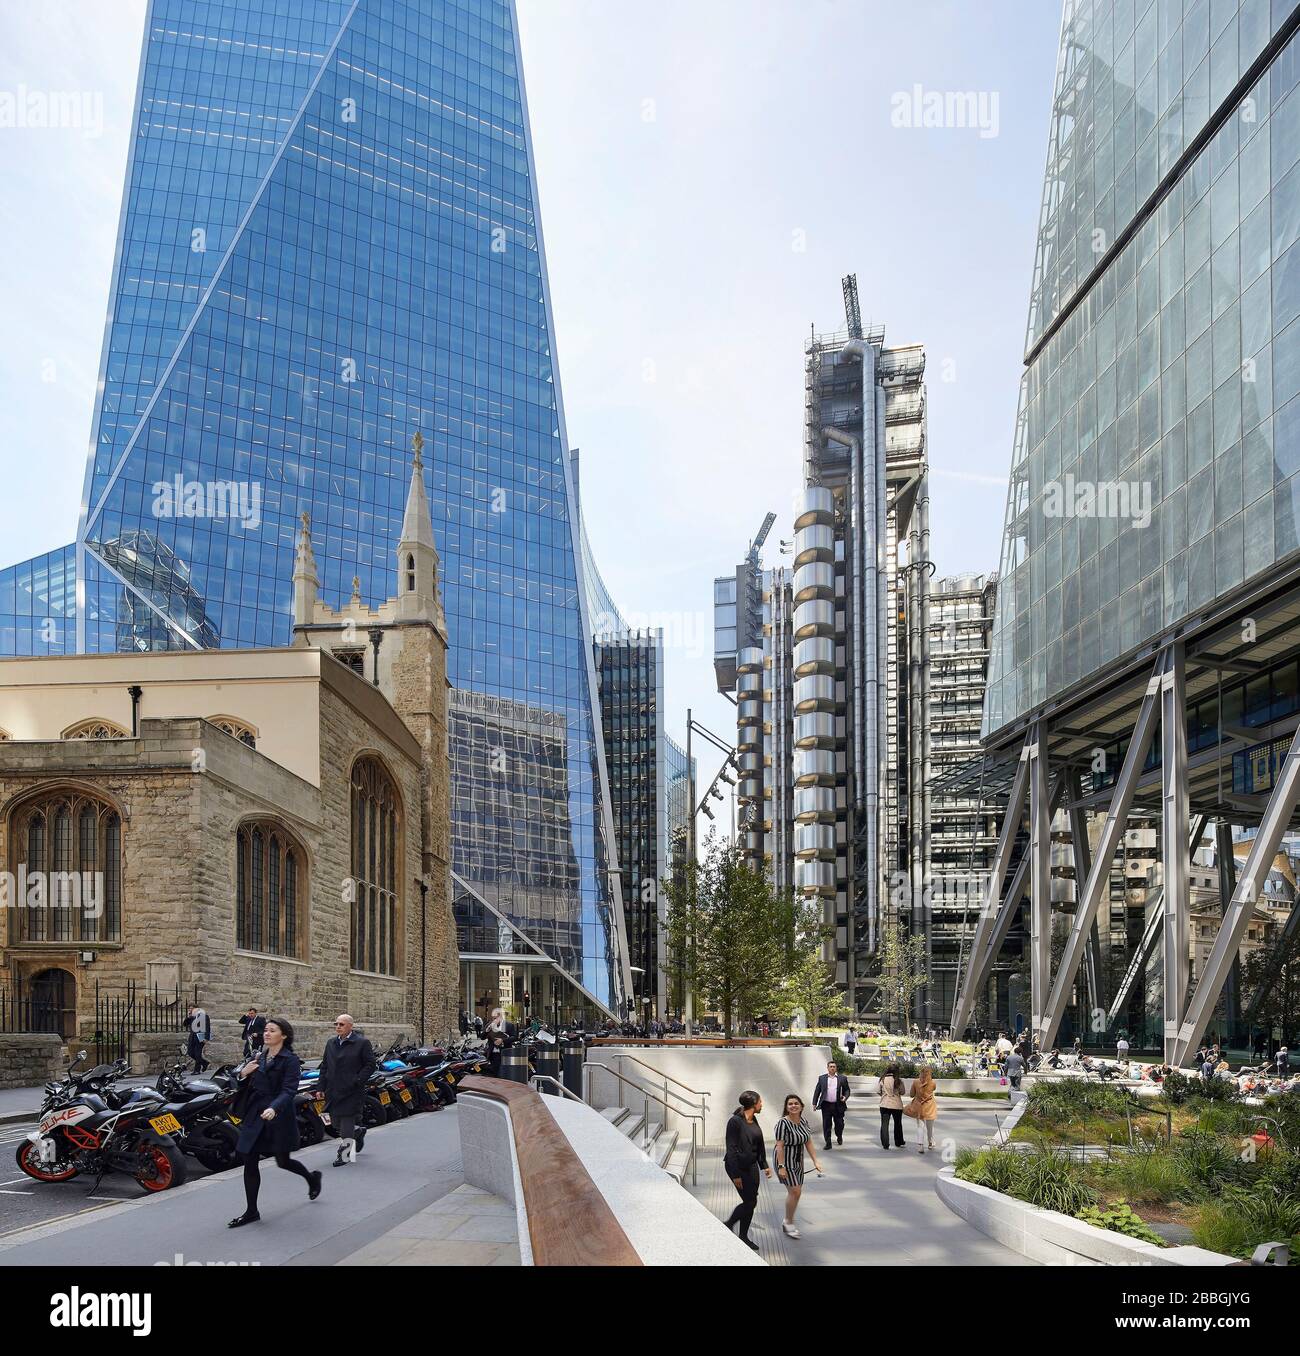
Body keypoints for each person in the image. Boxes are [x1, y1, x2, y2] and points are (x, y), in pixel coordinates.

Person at [227, 1018, 322, 1228]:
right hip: (255, 1113)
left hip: (278, 1115)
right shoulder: (258, 1056)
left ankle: (312, 1178)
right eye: (266, 1030)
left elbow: (289, 1090)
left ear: (284, 1035)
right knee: (248, 1158)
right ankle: (251, 1211)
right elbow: (238, 1078)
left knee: (283, 1161)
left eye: (272, 1030)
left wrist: (273, 1108)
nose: (266, 1033)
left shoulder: (290, 1060)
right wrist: (243, 1073)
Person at [319, 1013, 376, 1167]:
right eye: (336, 1024)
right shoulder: (331, 1043)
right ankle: (357, 1131)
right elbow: (324, 1065)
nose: (338, 1027)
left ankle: (344, 1155)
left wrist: (357, 1080)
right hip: (333, 1090)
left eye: (341, 1024)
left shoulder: (362, 1043)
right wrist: (320, 1087)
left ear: (351, 1026)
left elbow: (370, 1064)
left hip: (351, 1091)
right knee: (336, 1123)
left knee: (345, 1126)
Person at [723, 1090, 770, 1251]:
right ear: (753, 1104)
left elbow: (759, 1143)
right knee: (750, 1202)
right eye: (760, 1102)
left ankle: (738, 1232)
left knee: (752, 1201)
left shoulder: (753, 1119)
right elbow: (731, 1149)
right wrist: (736, 1175)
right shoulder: (735, 1122)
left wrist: (764, 1165)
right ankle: (731, 1227)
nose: (762, 1104)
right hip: (736, 1166)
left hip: (752, 1166)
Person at [774, 1093, 822, 1239]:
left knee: (797, 1192)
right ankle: (788, 1222)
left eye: (796, 1103)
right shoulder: (783, 1123)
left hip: (797, 1161)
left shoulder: (804, 1121)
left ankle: (788, 1220)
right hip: (784, 1160)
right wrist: (781, 1166)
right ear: (786, 1108)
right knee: (795, 1191)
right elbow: (779, 1146)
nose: (793, 1106)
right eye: (790, 1104)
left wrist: (815, 1161)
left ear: (801, 1106)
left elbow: (808, 1142)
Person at [812, 1059, 851, 1149]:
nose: (832, 1068)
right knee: (826, 1124)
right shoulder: (822, 1078)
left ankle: (839, 1135)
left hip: (838, 1105)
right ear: (827, 1068)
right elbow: (817, 1091)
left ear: (836, 1068)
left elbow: (847, 1090)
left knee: (839, 1124)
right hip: (826, 1105)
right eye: (831, 1067)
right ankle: (828, 1142)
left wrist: (845, 1097)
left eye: (834, 1067)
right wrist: (814, 1103)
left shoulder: (842, 1078)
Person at [904, 1064, 939, 1153]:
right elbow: (933, 1090)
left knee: (920, 1126)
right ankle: (930, 1143)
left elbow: (912, 1094)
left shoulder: (916, 1082)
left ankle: (920, 1146)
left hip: (919, 1106)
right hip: (930, 1106)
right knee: (930, 1126)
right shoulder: (933, 1083)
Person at [877, 1063, 906, 1150]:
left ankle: (885, 1143)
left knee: (884, 1124)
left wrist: (885, 1095)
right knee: (898, 1124)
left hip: (884, 1104)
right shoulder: (899, 1081)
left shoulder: (882, 1079)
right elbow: (903, 1092)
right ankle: (898, 1141)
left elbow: (878, 1091)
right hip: (896, 1105)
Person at [483, 1007, 517, 1075]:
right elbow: (482, 1037)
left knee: (504, 1073)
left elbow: (514, 1037)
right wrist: (487, 1031)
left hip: (505, 1052)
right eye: (493, 1018)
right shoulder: (489, 1025)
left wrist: (502, 1040)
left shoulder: (509, 1025)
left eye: (495, 1018)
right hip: (493, 1054)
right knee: (494, 1073)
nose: (494, 1020)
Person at [183, 1002, 211, 1074]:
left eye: (192, 1008)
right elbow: (185, 1024)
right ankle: (204, 1063)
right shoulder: (191, 1017)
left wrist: (206, 1038)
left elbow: (207, 1028)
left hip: (200, 1037)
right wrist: (188, 1016)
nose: (190, 1010)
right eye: (189, 1008)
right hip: (192, 1037)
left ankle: (197, 1070)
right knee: (190, 1052)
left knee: (197, 1053)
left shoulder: (204, 1016)